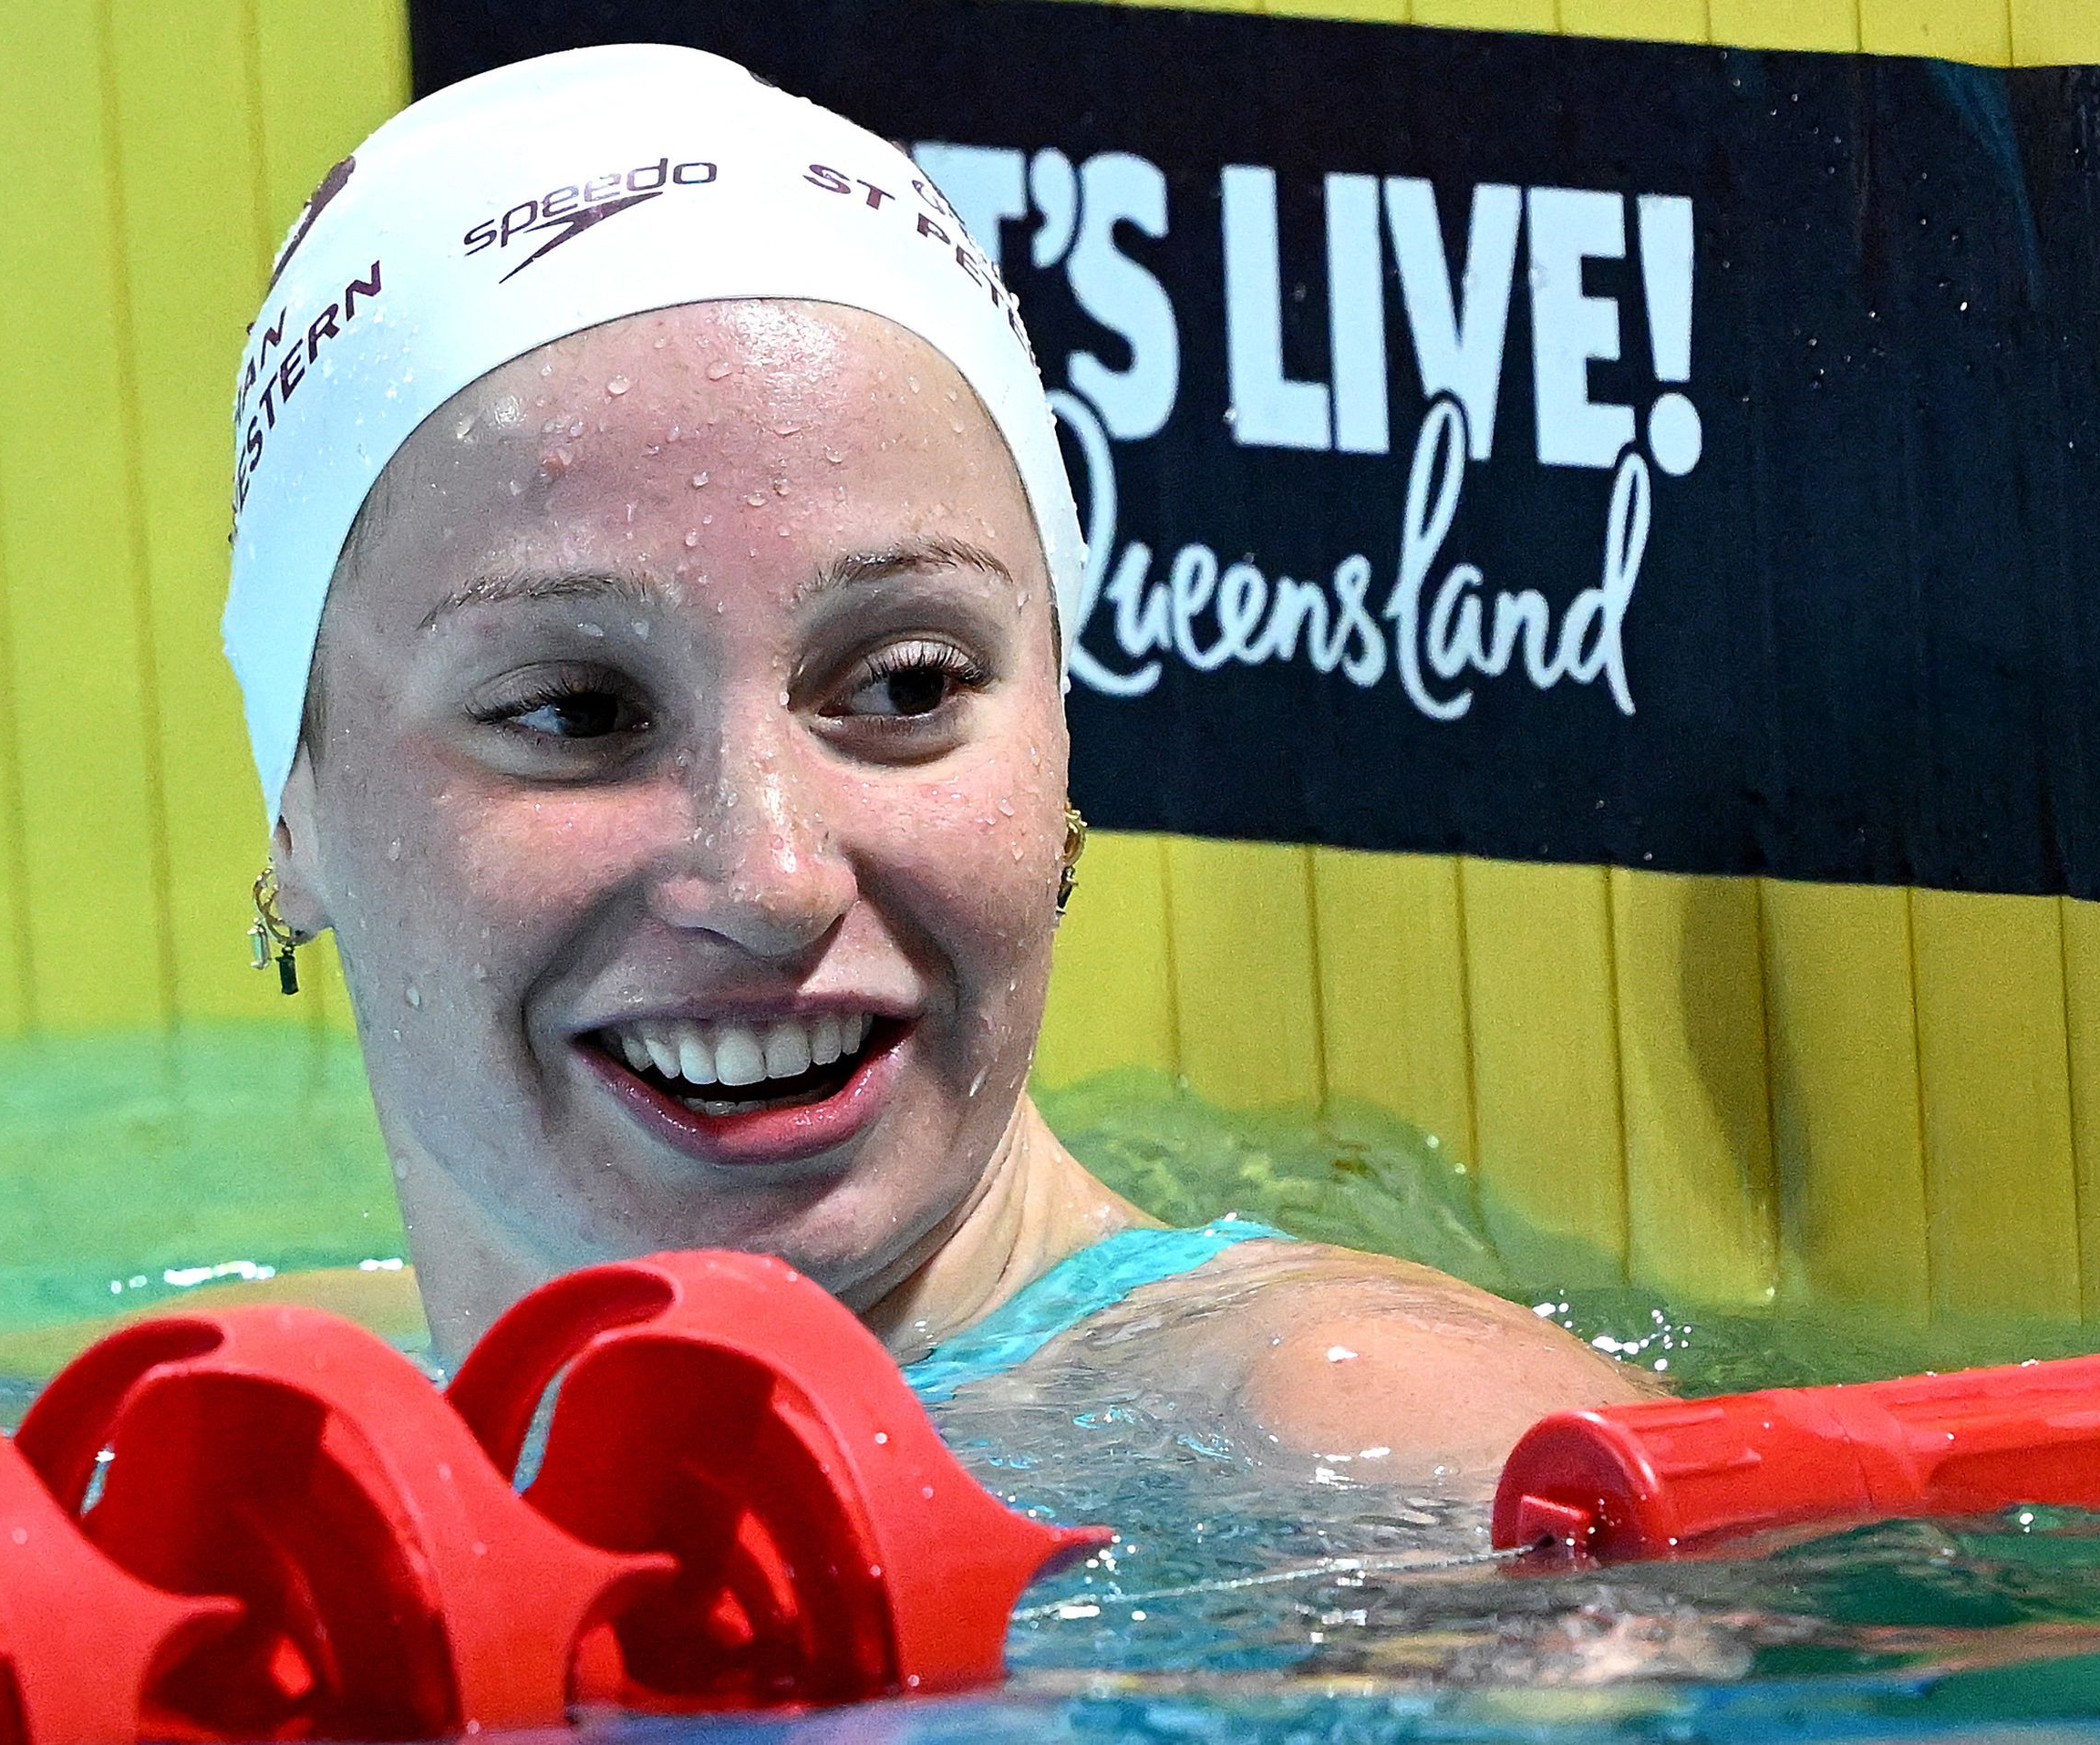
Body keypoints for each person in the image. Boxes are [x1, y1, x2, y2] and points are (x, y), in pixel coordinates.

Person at [224, 44, 1640, 1484]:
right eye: (578, 712)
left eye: (905, 684)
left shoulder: (1391, 1452)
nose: (769, 877)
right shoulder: (238, 1436)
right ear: (297, 805)